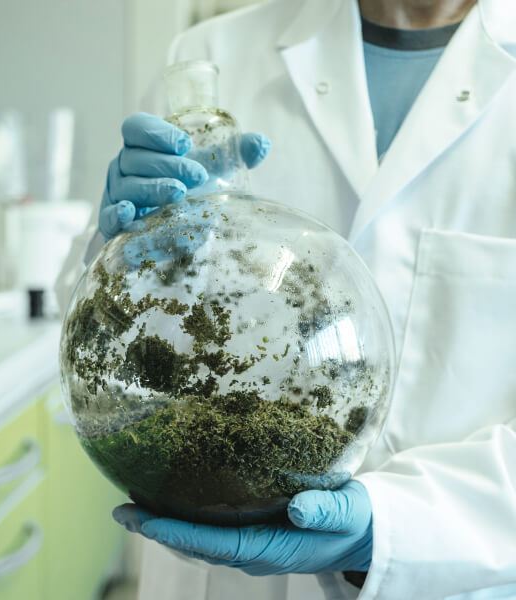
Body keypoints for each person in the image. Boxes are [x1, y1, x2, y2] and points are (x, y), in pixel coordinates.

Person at [57, 0, 516, 598]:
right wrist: (118, 239)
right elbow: (89, 330)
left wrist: (389, 529)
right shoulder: (211, 52)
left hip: (452, 568)